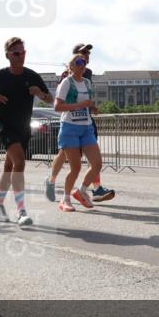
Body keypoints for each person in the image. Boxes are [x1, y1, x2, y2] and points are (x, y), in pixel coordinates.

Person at [0, 37, 54, 227]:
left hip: (24, 127)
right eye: (16, 53)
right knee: (20, 161)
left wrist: (41, 94)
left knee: (8, 168)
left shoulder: (32, 75)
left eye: (23, 52)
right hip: (5, 126)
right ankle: (21, 211)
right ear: (8, 55)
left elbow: (50, 99)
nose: (21, 55)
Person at [44, 44, 115, 203]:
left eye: (88, 53)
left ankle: (96, 188)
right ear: (74, 58)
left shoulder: (88, 74)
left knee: (93, 156)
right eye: (83, 53)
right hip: (70, 122)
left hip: (86, 121)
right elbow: (62, 100)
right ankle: (52, 180)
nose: (86, 56)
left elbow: (85, 97)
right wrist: (78, 105)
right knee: (63, 155)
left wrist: (91, 106)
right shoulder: (67, 75)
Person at [54, 53, 106, 211]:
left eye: (83, 62)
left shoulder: (87, 83)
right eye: (78, 62)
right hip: (70, 127)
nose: (82, 64)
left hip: (86, 127)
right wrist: (80, 105)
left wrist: (91, 107)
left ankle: (81, 192)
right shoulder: (66, 82)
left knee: (97, 164)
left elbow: (86, 103)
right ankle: (65, 199)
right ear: (71, 67)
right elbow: (57, 107)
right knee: (75, 168)